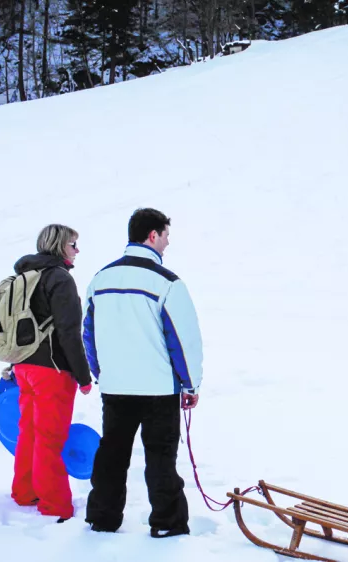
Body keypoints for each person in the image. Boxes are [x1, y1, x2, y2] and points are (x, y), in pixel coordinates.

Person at [83, 208, 203, 538]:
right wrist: (190, 384)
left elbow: (88, 333)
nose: (167, 243)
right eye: (165, 235)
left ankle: (102, 518)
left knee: (112, 453)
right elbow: (183, 340)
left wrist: (101, 372)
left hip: (115, 387)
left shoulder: (100, 279)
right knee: (161, 458)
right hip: (158, 390)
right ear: (152, 235)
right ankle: (167, 523)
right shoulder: (167, 283)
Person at [10, 225, 93, 522]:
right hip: (52, 370)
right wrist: (83, 376)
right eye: (73, 244)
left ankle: (24, 492)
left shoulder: (24, 276)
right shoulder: (60, 278)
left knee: (29, 432)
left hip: (23, 366)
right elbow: (69, 333)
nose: (77, 250)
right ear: (59, 246)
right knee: (50, 439)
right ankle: (55, 504)